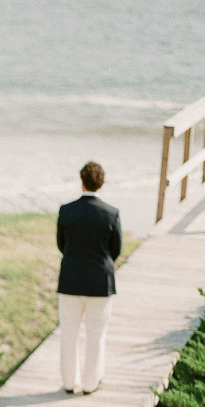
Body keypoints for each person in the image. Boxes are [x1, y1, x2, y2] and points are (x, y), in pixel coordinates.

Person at [56, 161, 122, 395]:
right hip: (100, 282)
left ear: (81, 181)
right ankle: (90, 384)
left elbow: (61, 245)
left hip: (70, 280)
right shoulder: (111, 213)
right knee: (96, 335)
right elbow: (116, 250)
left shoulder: (66, 210)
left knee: (68, 334)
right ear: (101, 183)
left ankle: (68, 382)